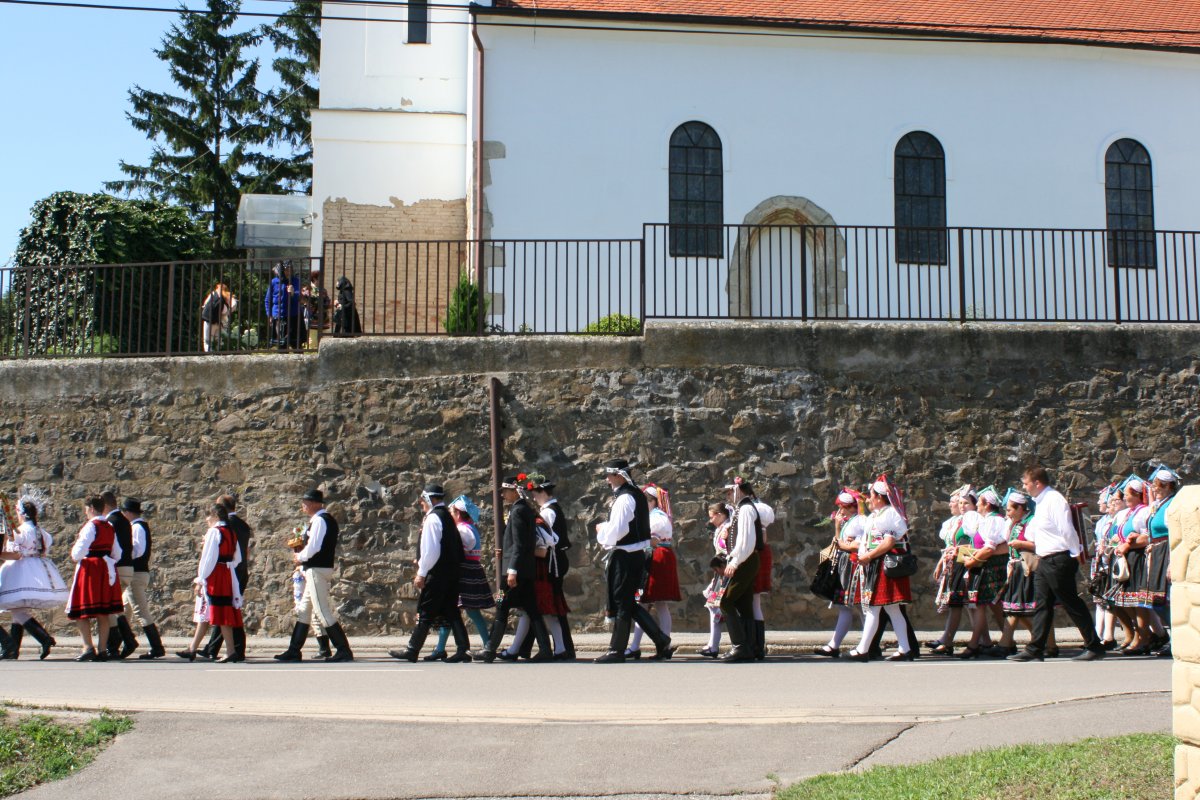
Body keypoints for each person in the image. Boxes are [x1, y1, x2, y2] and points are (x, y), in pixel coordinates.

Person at [1009, 465, 1106, 662]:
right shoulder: (1041, 503)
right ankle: (1035, 648)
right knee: (1042, 604)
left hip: (1058, 558)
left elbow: (1067, 530)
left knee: (1070, 602)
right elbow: (1033, 532)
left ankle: (1094, 645)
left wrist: (1076, 552)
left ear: (1037, 483)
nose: (1025, 488)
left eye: (1026, 484)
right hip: (1045, 559)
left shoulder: (1054, 500)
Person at [593, 459, 675, 663]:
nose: (607, 479)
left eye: (609, 475)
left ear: (619, 475)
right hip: (635, 554)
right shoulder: (635, 494)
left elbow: (619, 529)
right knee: (629, 601)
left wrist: (602, 532)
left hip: (626, 555)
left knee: (622, 602)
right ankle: (661, 639)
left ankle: (617, 650)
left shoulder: (625, 498)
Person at [391, 484, 472, 662]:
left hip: (438, 572)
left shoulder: (434, 518)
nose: (420, 503)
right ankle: (463, 649)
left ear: (430, 499)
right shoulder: (446, 516)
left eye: (422, 500)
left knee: (425, 611)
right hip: (451, 572)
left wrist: (421, 572)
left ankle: (412, 649)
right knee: (451, 610)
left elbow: (431, 550)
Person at [480, 475, 553, 662]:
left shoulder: (519, 511)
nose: (503, 495)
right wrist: (504, 552)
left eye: (505, 491)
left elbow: (520, 544)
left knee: (501, 605)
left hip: (514, 573)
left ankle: (489, 649)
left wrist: (511, 570)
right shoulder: (524, 510)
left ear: (514, 491)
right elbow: (517, 543)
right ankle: (545, 649)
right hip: (524, 570)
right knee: (532, 609)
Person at [274, 489, 353, 662]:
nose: (304, 505)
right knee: (304, 610)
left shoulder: (320, 521)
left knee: (322, 611)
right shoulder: (322, 520)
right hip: (316, 569)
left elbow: (314, 546)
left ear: (316, 503)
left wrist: (300, 557)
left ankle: (343, 649)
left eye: (306, 502)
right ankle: (294, 650)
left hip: (317, 568)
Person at [845, 476, 915, 662]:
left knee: (873, 608)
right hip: (878, 563)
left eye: (871, 495)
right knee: (893, 609)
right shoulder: (877, 515)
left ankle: (863, 649)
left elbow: (889, 542)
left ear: (879, 497)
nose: (868, 499)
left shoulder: (889, 514)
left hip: (884, 564)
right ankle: (905, 649)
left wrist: (868, 556)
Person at [424, 495, 495, 660]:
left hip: (464, 572)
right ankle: (443, 648)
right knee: (455, 611)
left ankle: (487, 646)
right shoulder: (469, 528)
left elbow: (455, 551)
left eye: (451, 511)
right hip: (469, 571)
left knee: (465, 611)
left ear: (457, 513)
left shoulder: (463, 530)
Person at [0, 490, 68, 659]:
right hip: (37, 568)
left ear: (22, 513)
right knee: (18, 610)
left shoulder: (20, 531)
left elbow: (16, 555)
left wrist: (1, 554)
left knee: (17, 609)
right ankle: (14, 648)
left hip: (20, 570)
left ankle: (43, 638)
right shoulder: (40, 532)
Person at [177, 504, 244, 662]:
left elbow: (208, 559)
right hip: (226, 573)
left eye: (208, 516)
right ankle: (193, 648)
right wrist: (227, 565)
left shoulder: (214, 532)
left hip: (215, 575)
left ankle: (230, 650)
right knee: (209, 613)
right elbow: (238, 558)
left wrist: (201, 579)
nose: (207, 520)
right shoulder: (230, 532)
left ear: (214, 516)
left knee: (220, 612)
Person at [65, 495, 125, 661]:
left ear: (91, 508)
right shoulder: (109, 526)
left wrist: (84, 556)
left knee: (81, 611)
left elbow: (77, 553)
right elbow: (118, 553)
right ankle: (103, 649)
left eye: (86, 509)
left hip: (91, 570)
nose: (85, 513)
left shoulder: (91, 526)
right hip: (106, 569)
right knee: (103, 612)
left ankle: (88, 647)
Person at [627, 484, 679, 659]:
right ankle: (642, 646)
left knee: (652, 602)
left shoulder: (657, 518)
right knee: (644, 602)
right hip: (653, 558)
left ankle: (661, 646)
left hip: (656, 559)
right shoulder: (653, 516)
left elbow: (652, 541)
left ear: (652, 501)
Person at [814, 488, 867, 658]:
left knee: (860, 606)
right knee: (845, 606)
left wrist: (842, 542)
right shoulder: (849, 521)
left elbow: (857, 544)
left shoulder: (859, 521)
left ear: (852, 507)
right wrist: (839, 531)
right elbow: (839, 542)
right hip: (846, 566)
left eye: (843, 507)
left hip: (853, 566)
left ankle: (868, 643)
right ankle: (834, 644)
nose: (840, 511)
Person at [715, 477, 763, 662]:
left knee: (725, 601)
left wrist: (735, 562)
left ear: (739, 490)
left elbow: (746, 541)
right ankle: (750, 646)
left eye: (729, 492)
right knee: (743, 604)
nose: (728, 496)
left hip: (745, 560)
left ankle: (740, 646)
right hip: (745, 560)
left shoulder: (746, 509)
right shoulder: (742, 509)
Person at [958, 486, 1009, 658]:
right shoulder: (987, 520)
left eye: (979, 502)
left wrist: (972, 561)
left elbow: (989, 548)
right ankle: (1007, 641)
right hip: (984, 566)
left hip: (989, 567)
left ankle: (974, 645)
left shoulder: (994, 521)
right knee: (994, 605)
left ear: (986, 504)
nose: (977, 506)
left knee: (980, 604)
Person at [200, 495, 251, 660]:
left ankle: (224, 649)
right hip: (240, 570)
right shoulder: (243, 525)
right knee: (230, 611)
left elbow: (217, 552)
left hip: (226, 571)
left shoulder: (223, 528)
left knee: (222, 610)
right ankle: (222, 648)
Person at [118, 498, 166, 659]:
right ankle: (124, 642)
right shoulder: (138, 526)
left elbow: (138, 550)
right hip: (138, 573)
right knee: (123, 609)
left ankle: (156, 646)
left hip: (136, 574)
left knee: (140, 611)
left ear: (128, 513)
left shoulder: (137, 527)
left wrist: (124, 556)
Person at [101, 491, 139, 659]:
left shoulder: (110, 522)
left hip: (117, 568)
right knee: (115, 607)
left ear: (106, 505)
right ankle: (125, 640)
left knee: (109, 607)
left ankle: (117, 644)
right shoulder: (124, 520)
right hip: (128, 568)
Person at [1146, 465, 1178, 657]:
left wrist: (1172, 561)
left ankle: (1177, 640)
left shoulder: (1171, 505)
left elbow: (1174, 534)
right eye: (1154, 485)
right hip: (1158, 552)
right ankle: (1174, 638)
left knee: (1167, 600)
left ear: (1168, 486)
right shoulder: (1160, 504)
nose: (1155, 489)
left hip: (1167, 553)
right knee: (1156, 601)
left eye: (1159, 486)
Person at [699, 502, 732, 658]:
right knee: (713, 606)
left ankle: (715, 645)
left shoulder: (728, 528)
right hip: (721, 572)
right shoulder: (722, 528)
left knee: (718, 607)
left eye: (712, 517)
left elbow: (726, 550)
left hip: (725, 572)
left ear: (720, 515)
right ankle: (713, 644)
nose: (710, 520)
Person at [265, 260, 304, 350]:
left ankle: (300, 362)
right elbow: (267, 300)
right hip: (278, 316)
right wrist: (269, 314)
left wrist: (293, 293)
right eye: (286, 269)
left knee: (296, 344)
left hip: (293, 316)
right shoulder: (274, 282)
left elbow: (299, 298)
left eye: (290, 269)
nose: (288, 272)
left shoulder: (295, 281)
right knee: (281, 344)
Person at [200, 282, 237, 353]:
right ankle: (218, 358)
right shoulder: (227, 296)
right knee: (218, 343)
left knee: (207, 342)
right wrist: (226, 313)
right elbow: (234, 304)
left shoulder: (213, 294)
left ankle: (210, 358)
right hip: (221, 323)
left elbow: (204, 305)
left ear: (217, 288)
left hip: (210, 321)